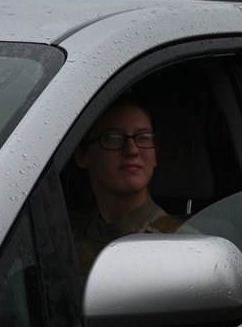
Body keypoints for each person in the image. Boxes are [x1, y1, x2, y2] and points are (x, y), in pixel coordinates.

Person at [71, 96, 180, 275]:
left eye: (144, 137)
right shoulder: (60, 234)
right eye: (113, 138)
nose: (132, 150)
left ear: (155, 155)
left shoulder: (181, 246)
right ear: (82, 155)